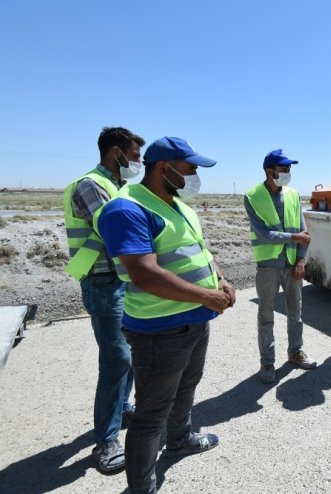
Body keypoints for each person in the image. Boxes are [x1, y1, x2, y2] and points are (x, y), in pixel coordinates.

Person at [97, 137, 236, 494]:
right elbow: (142, 272)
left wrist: (219, 279)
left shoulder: (178, 205)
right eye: (190, 168)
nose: (195, 176)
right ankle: (142, 487)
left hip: (195, 320)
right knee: (150, 416)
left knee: (187, 388)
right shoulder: (126, 208)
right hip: (159, 331)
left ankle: (181, 440)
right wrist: (206, 295)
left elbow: (199, 251)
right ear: (164, 168)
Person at [63, 126, 144, 473]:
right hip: (102, 282)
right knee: (115, 358)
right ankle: (106, 441)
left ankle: (122, 407)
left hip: (121, 279)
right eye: (135, 157)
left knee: (129, 351)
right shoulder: (90, 185)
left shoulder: (121, 188)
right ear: (116, 153)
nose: (137, 164)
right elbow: (118, 230)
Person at [244, 149, 317, 384]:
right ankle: (267, 364)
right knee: (266, 315)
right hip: (268, 266)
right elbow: (263, 234)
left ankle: (295, 352)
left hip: (293, 263)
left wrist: (301, 260)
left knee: (296, 313)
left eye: (289, 169)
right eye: (284, 169)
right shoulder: (252, 196)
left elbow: (305, 234)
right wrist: (293, 239)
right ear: (269, 171)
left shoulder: (294, 195)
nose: (288, 173)